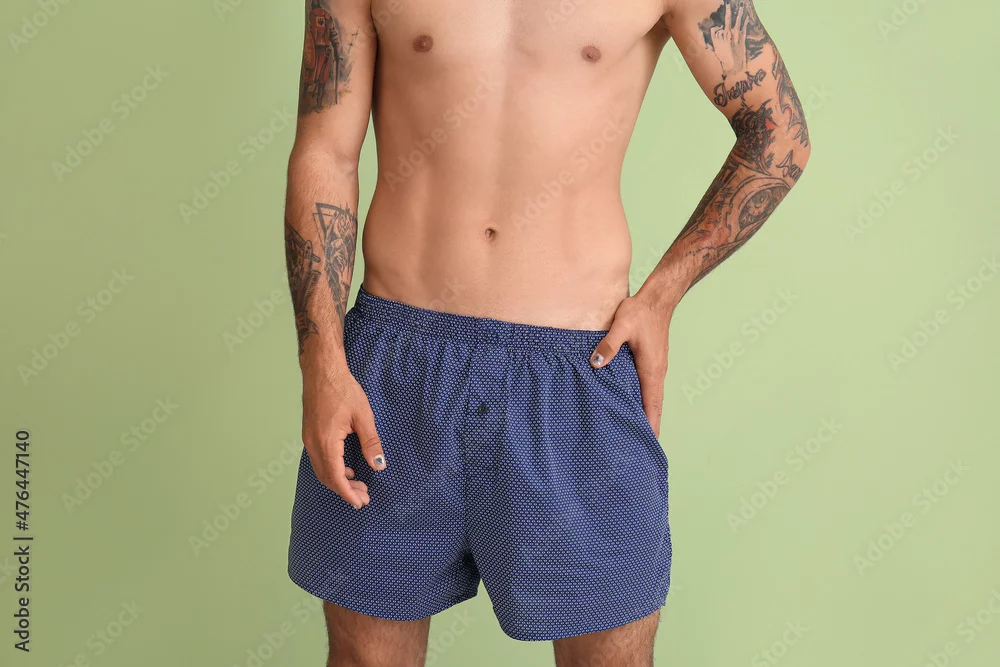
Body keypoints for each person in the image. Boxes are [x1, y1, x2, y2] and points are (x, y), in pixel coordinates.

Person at [284, 0, 810, 664]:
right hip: (393, 366)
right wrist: (322, 359)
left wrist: (661, 295)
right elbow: (326, 152)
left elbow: (778, 133)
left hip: (578, 370)